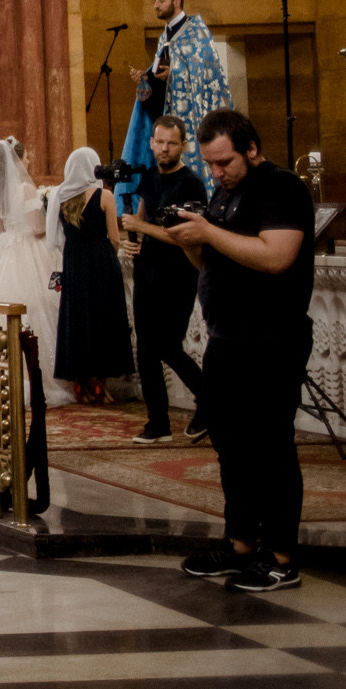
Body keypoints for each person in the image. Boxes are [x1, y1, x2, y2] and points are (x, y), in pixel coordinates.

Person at [165, 109, 317, 592]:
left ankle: (281, 555)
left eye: (224, 162)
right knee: (231, 446)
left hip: (272, 339)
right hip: (227, 338)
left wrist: (208, 232)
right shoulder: (226, 191)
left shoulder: (282, 187)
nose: (217, 173)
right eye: (210, 164)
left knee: (270, 446)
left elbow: (277, 257)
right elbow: (211, 260)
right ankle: (240, 544)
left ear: (251, 148)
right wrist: (191, 238)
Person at [0, 138, 70, 402]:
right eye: (26, 157)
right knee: (39, 305)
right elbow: (38, 228)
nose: (29, 161)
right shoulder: (25, 188)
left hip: (3, 249)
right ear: (16, 161)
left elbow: (1, 229)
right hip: (30, 249)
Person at [122, 114, 208, 444]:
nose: (164, 148)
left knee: (168, 347)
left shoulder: (191, 183)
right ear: (151, 143)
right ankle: (158, 423)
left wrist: (140, 227)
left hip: (179, 275)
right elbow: (141, 216)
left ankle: (208, 401)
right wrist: (131, 239)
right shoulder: (149, 178)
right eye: (159, 142)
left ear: (183, 146)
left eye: (172, 143)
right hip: (147, 271)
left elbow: (185, 236)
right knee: (145, 350)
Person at [122, 0, 234, 193]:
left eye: (161, 1)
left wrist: (174, 74)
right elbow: (160, 74)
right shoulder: (164, 37)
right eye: (155, 1)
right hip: (171, 116)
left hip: (192, 117)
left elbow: (206, 73)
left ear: (176, 2)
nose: (156, 6)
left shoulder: (196, 32)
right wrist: (146, 78)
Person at [49, 148, 132, 403]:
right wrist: (108, 256)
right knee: (103, 319)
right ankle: (100, 385)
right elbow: (115, 238)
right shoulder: (104, 195)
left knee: (78, 319)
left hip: (73, 263)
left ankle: (80, 384)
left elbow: (56, 239)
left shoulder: (60, 197)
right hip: (101, 263)